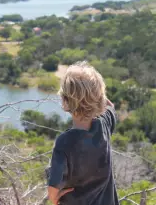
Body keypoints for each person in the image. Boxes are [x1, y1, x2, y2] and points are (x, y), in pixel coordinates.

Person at [46, 61, 119, 205]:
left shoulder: (65, 143)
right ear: (99, 97)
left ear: (65, 102)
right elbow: (110, 106)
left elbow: (53, 188)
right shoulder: (104, 124)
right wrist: (97, 98)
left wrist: (54, 198)